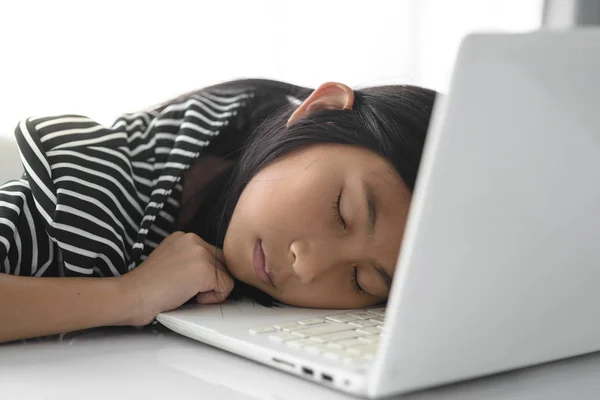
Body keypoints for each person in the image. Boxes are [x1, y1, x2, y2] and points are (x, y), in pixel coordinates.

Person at [0, 79, 436, 343]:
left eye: (361, 280)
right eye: (342, 211)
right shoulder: (102, 184)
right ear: (318, 112)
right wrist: (130, 294)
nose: (307, 266)